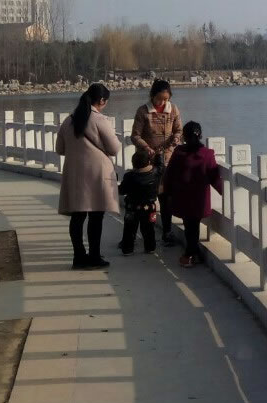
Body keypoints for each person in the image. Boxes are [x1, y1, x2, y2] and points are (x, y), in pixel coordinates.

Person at [56, 82, 120, 269]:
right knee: (96, 216)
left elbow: (59, 149)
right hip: (97, 174)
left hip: (75, 174)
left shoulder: (68, 120)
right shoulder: (99, 120)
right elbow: (114, 148)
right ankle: (94, 256)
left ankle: (78, 257)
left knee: (77, 217)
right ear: (102, 100)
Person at [130, 79, 183, 245]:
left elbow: (179, 130)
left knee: (166, 198)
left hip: (167, 160)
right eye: (160, 98)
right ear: (152, 95)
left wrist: (176, 138)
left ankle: (167, 232)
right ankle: (140, 235)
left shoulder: (173, 109)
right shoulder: (143, 111)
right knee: (144, 200)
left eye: (166, 99)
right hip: (147, 161)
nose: (163, 102)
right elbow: (135, 136)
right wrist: (146, 147)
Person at [162, 121, 222, 267]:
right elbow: (214, 177)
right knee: (193, 226)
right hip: (199, 199)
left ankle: (191, 254)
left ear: (184, 136)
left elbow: (169, 174)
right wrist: (226, 193)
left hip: (181, 197)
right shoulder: (207, 154)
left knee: (190, 226)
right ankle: (191, 254)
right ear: (200, 135)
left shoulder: (178, 151)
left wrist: (167, 193)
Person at [118, 149, 158, 255]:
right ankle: (150, 247)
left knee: (129, 228)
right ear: (148, 162)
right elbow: (160, 166)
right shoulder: (155, 173)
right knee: (149, 228)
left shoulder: (129, 176)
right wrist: (158, 154)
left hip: (132, 207)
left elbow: (122, 191)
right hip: (150, 207)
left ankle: (127, 249)